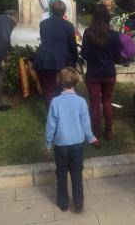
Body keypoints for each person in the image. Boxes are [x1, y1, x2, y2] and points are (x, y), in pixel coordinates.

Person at [45, 67, 99, 213]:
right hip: (77, 146)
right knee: (76, 174)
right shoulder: (81, 102)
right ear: (76, 82)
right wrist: (92, 138)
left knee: (61, 174)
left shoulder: (55, 102)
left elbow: (51, 125)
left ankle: (63, 202)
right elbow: (86, 124)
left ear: (60, 82)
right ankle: (79, 202)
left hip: (60, 146)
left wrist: (48, 143)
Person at [81, 4, 121, 139]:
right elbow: (118, 57)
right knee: (107, 101)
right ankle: (109, 131)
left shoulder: (88, 32)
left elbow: (84, 54)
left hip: (93, 74)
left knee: (94, 104)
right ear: (108, 17)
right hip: (109, 73)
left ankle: (96, 132)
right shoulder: (114, 35)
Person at [33, 0, 78, 109]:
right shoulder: (68, 25)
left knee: (49, 90)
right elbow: (72, 45)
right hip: (62, 61)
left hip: (46, 59)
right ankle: (62, 112)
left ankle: (51, 115)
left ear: (52, 11)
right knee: (63, 88)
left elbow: (44, 39)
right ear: (64, 12)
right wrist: (74, 61)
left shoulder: (43, 24)